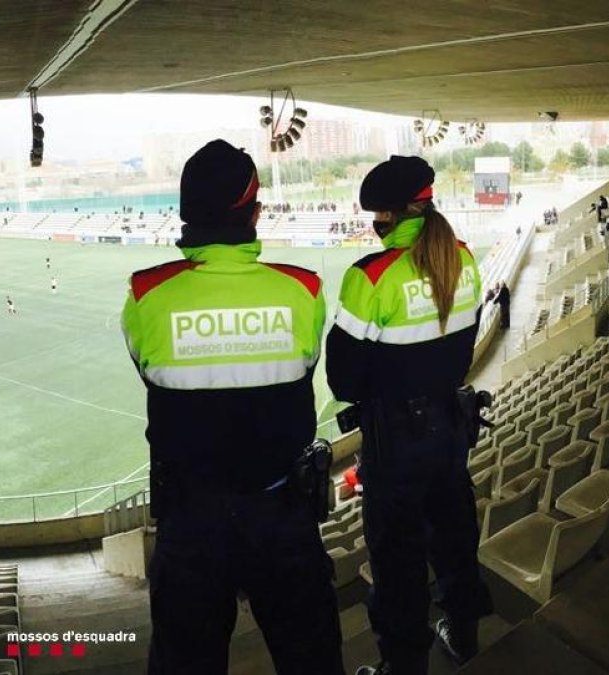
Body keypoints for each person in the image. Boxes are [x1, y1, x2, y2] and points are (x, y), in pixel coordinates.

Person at [122, 140, 343, 674]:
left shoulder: (147, 297)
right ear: (254, 213)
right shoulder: (304, 291)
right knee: (311, 660)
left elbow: (149, 372)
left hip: (192, 525)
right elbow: (305, 368)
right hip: (282, 515)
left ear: (185, 214)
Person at [327, 155, 491, 675]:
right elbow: (462, 350)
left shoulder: (370, 276)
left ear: (391, 216)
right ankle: (464, 637)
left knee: (397, 561)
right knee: (455, 539)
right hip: (449, 431)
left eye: (377, 214)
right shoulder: (463, 259)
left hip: (395, 445)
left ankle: (404, 665)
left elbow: (344, 380)